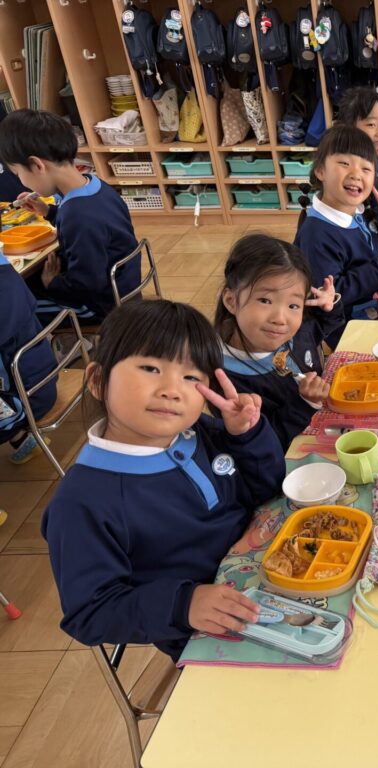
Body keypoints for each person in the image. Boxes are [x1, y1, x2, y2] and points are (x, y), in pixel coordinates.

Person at [41, 300, 285, 660]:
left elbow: (266, 489)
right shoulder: (82, 502)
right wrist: (182, 605)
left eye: (191, 377)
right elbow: (89, 613)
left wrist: (246, 436)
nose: (173, 390)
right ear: (97, 381)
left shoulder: (200, 431)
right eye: (151, 368)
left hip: (270, 570)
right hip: (208, 629)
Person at [0, 109, 138, 324]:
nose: (21, 181)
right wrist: (48, 212)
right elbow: (89, 232)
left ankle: (66, 340)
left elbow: (86, 284)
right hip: (122, 288)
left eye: (18, 174)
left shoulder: (77, 215)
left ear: (37, 165)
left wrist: (53, 283)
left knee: (20, 310)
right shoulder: (95, 186)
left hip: (99, 307)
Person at [216, 233, 343, 449]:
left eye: (293, 305)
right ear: (231, 301)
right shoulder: (226, 379)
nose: (280, 319)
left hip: (329, 424)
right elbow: (261, 442)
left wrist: (329, 306)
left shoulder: (295, 332)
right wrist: (305, 403)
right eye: (265, 300)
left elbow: (322, 325)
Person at [294, 126, 378, 342]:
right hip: (348, 326)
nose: (356, 174)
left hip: (377, 303)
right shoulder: (316, 233)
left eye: (366, 168)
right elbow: (329, 294)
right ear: (320, 171)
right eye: (344, 164)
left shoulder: (358, 212)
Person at [0, 248, 57, 464]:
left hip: (24, 402)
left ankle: (16, 432)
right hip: (42, 382)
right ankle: (20, 438)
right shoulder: (7, 273)